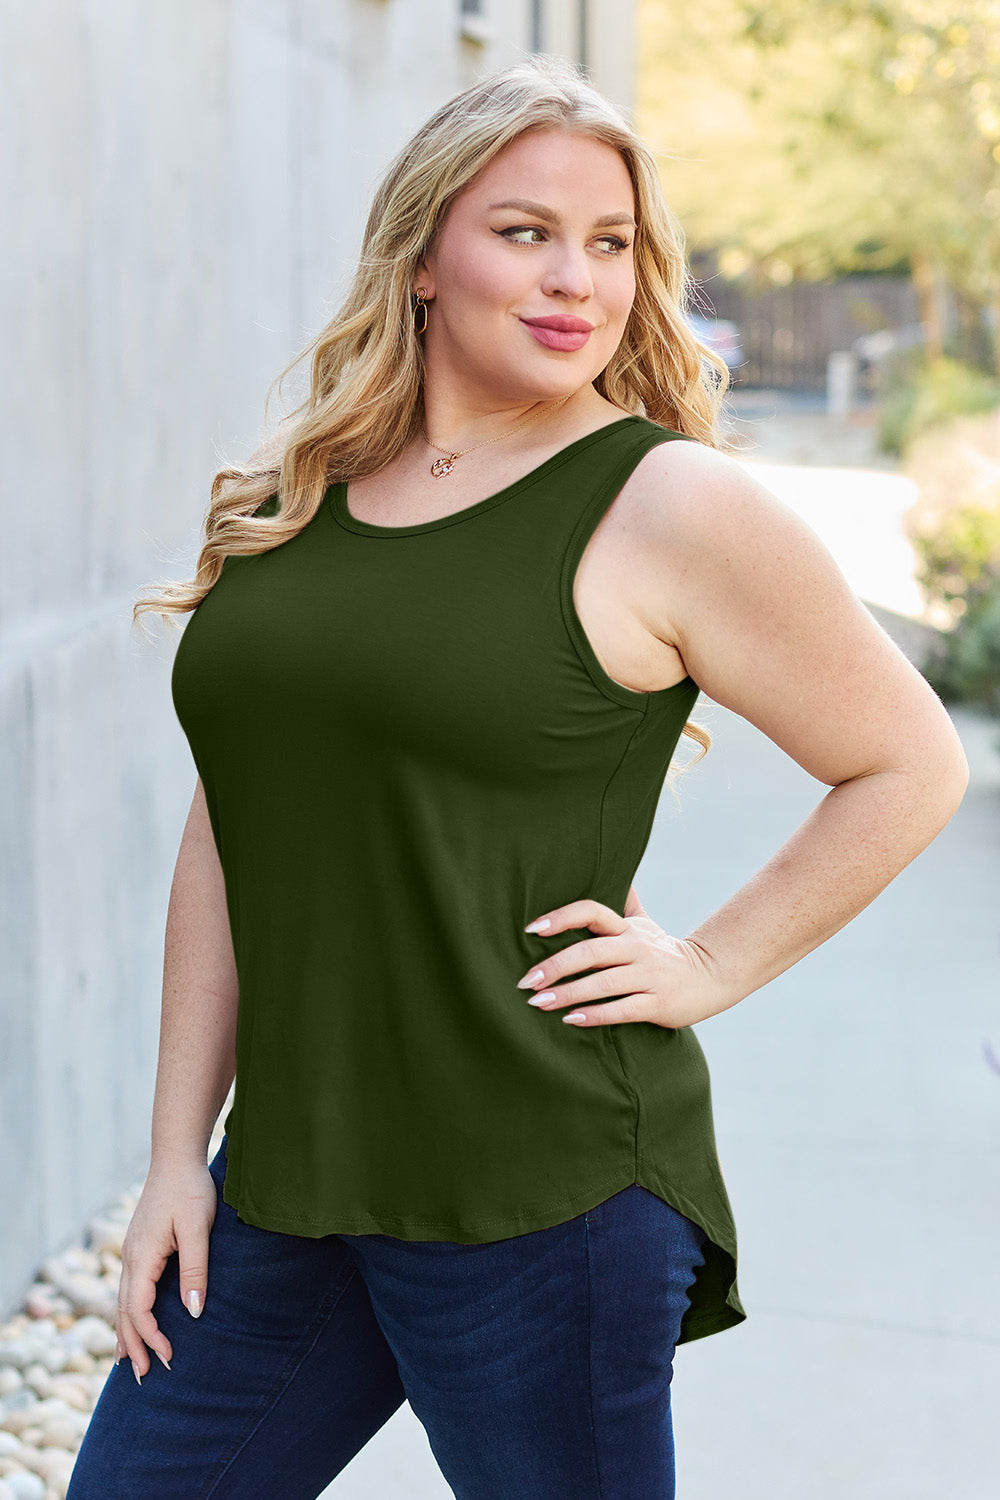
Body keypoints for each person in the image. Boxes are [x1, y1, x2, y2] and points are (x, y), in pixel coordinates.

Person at [67, 53, 968, 1500]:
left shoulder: (667, 502)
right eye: (526, 232)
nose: (576, 281)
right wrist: (178, 1154)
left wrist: (712, 962)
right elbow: (237, 823)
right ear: (424, 258)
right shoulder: (303, 498)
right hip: (291, 1189)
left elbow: (908, 763)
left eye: (611, 245)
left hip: (539, 1195)